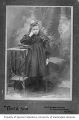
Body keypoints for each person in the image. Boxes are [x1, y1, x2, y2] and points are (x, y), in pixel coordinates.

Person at [20, 21, 50, 90]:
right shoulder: (29, 36)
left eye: (37, 29)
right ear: (31, 29)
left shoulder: (42, 36)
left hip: (41, 55)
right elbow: (22, 41)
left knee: (41, 70)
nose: (35, 31)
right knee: (33, 69)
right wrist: (30, 35)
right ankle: (34, 86)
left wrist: (47, 58)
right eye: (34, 29)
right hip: (32, 55)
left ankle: (40, 86)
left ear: (39, 29)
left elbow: (47, 47)